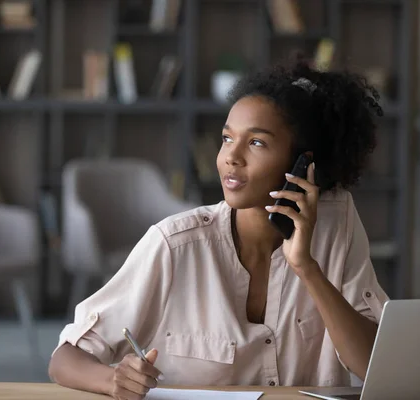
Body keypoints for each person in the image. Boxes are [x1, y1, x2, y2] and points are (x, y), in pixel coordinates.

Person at [48, 57, 389, 400]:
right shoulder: (175, 244)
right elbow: (64, 358)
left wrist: (307, 269)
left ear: (304, 163)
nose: (231, 157)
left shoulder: (337, 222)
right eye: (227, 138)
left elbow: (372, 365)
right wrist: (113, 380)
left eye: (257, 142)